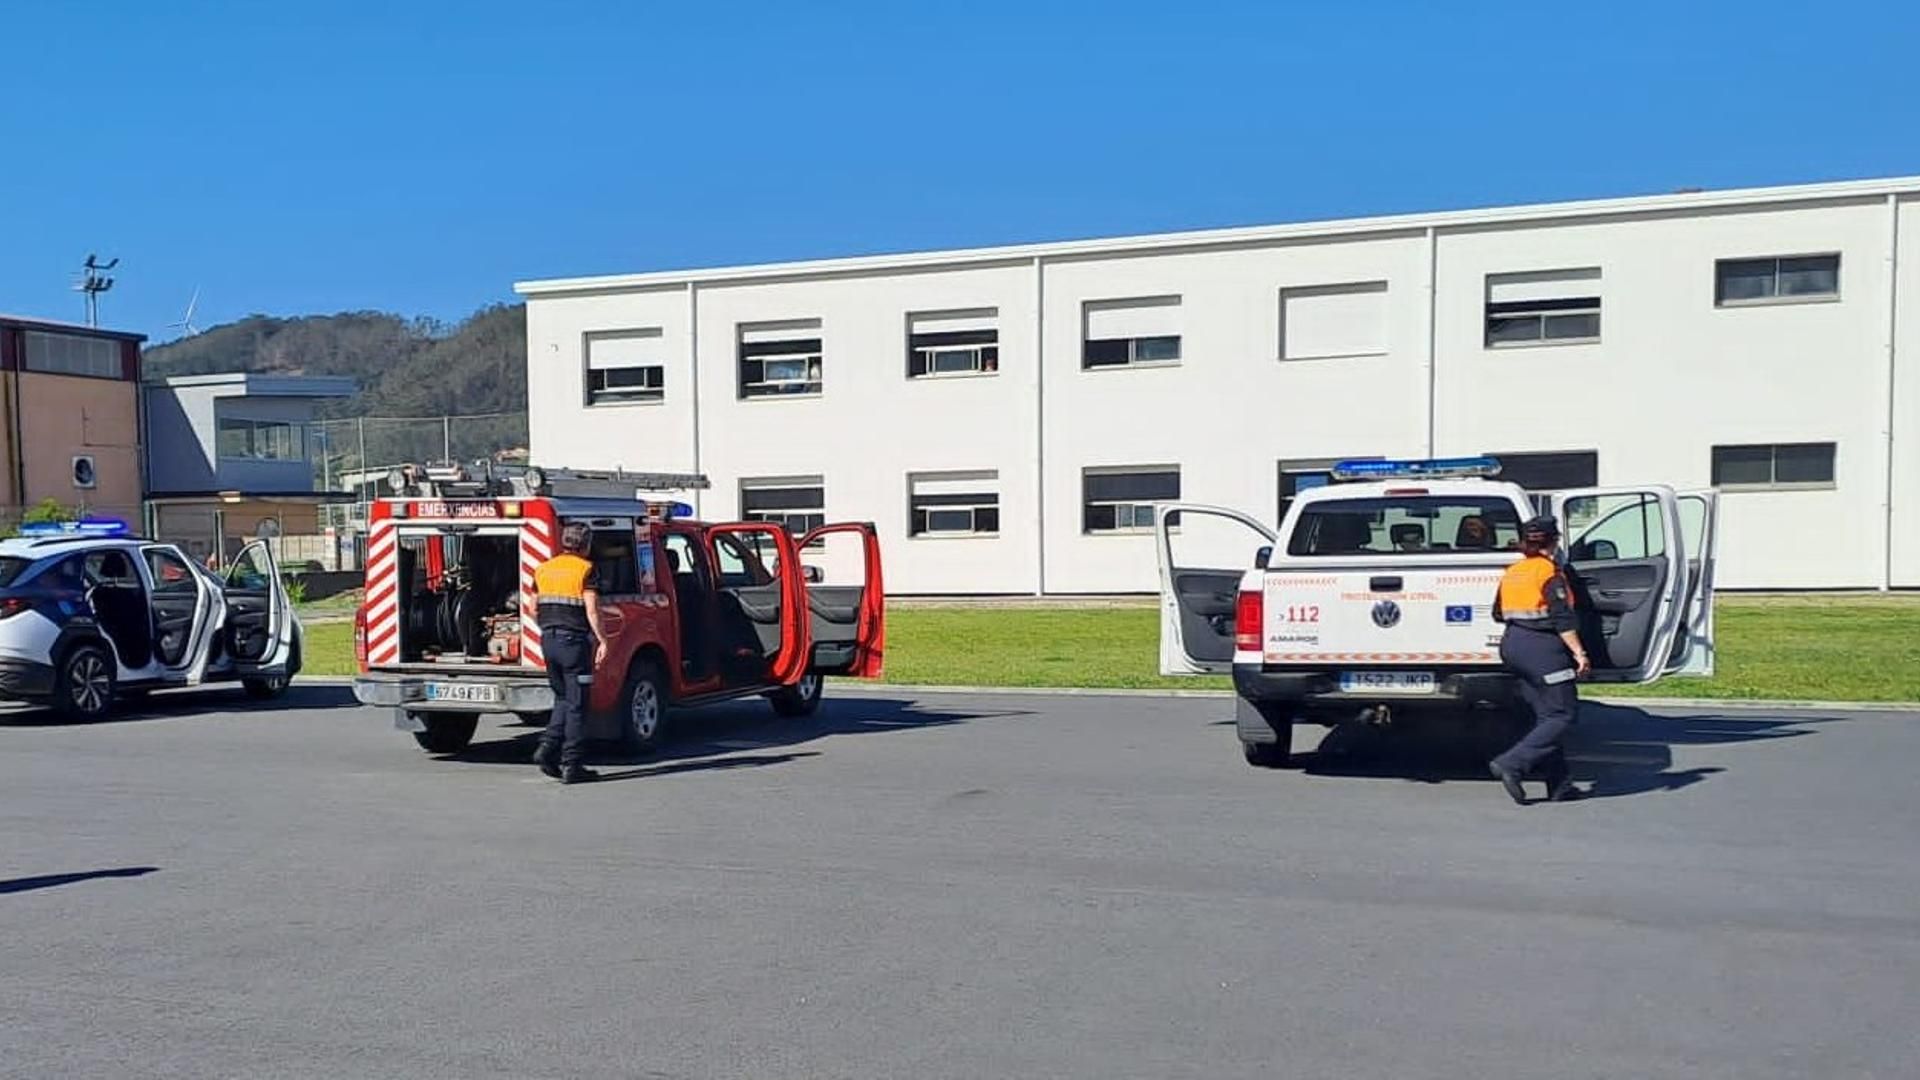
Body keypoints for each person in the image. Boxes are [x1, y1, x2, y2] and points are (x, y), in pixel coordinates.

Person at [1487, 515, 1589, 804]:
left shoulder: (1514, 571)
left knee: (1546, 716)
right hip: (1543, 649)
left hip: (1513, 645)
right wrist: (1579, 653)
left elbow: (1497, 612)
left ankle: (1559, 785)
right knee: (1563, 714)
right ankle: (1512, 764)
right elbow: (1561, 617)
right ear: (1554, 542)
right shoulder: (1549, 573)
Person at [530, 522, 609, 784]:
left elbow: (533, 607)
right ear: (585, 544)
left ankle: (546, 749)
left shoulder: (543, 569)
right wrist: (603, 640)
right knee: (577, 705)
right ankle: (572, 764)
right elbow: (592, 610)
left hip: (548, 641)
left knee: (562, 699)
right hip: (574, 644)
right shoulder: (586, 570)